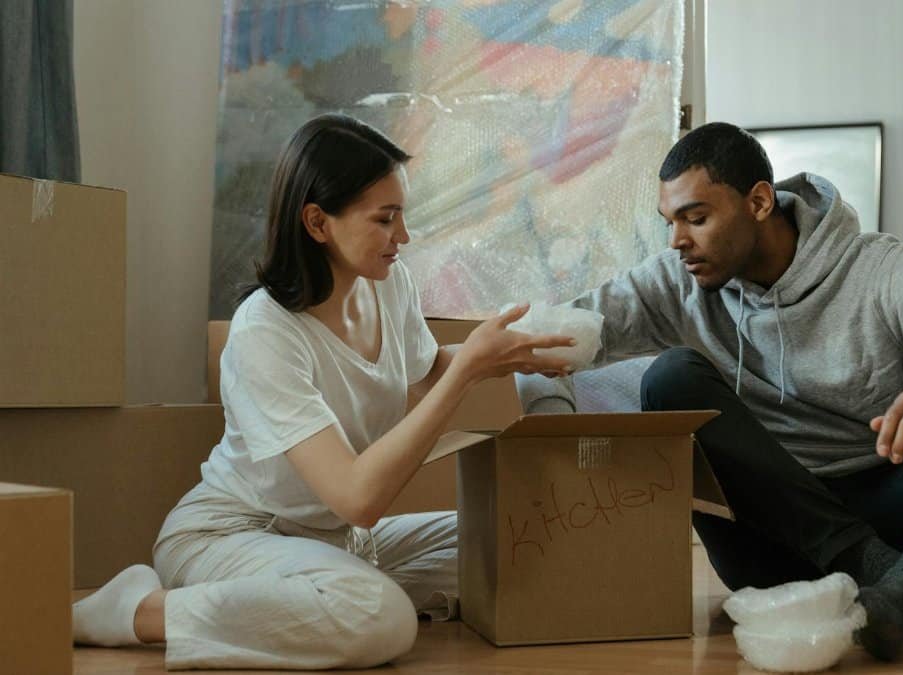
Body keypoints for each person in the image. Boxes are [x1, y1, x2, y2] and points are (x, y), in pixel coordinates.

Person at [518, 121, 903, 661]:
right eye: (669, 221)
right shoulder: (677, 280)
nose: (677, 240)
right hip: (768, 534)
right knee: (671, 376)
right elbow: (551, 335)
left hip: (888, 497)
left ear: (759, 202)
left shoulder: (877, 269)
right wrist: (488, 366)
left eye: (695, 218)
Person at [71, 113, 576, 670]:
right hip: (232, 535)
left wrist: (500, 354)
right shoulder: (265, 331)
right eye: (385, 219)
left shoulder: (386, 285)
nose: (402, 238)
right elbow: (359, 499)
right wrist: (465, 374)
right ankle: (136, 611)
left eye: (402, 215)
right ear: (317, 223)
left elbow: (426, 368)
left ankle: (312, 602)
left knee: (517, 535)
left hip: (337, 541)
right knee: (380, 616)